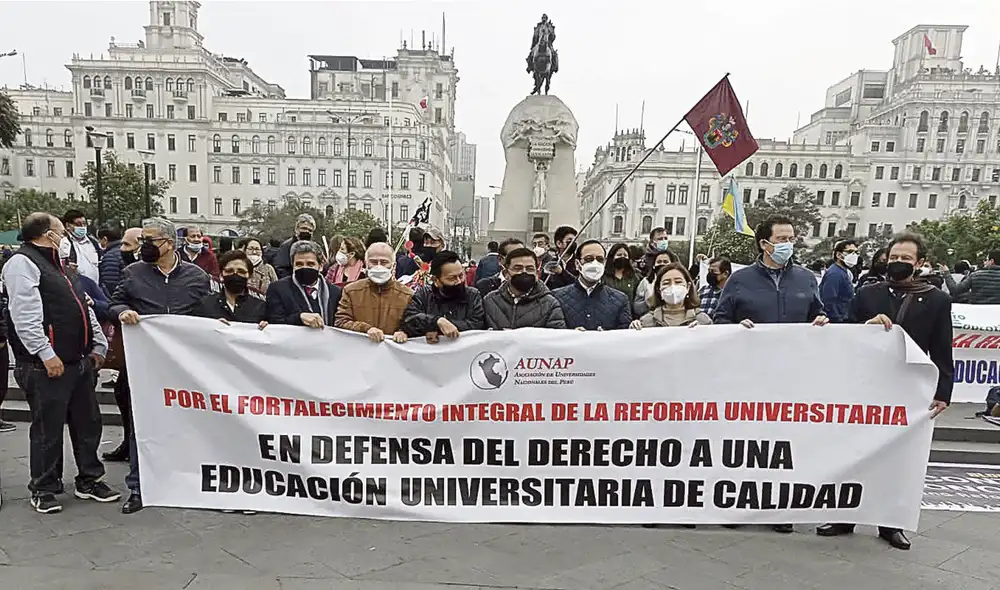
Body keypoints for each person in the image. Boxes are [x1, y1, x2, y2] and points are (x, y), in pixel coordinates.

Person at [817, 231, 952, 551]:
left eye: (906, 259)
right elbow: (847, 332)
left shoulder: (936, 299)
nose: (899, 263)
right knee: (854, 449)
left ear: (919, 263)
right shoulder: (868, 293)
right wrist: (865, 327)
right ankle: (844, 515)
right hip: (867, 383)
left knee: (899, 456)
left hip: (908, 387)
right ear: (885, 259)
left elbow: (942, 348)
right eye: (894, 258)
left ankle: (891, 522)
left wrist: (943, 391)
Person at [714, 215, 828, 534]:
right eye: (781, 239)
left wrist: (821, 319)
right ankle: (737, 505)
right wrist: (737, 329)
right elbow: (721, 319)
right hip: (749, 375)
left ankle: (781, 508)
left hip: (792, 374)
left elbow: (819, 312)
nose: (787, 244)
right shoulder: (740, 280)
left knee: (785, 444)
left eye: (791, 238)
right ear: (764, 244)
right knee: (746, 442)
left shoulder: (806, 278)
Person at [3, 212, 119, 514]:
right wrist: (45, 352)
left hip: (78, 362)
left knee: (88, 423)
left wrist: (98, 344)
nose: (66, 234)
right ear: (46, 234)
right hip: (46, 365)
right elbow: (24, 314)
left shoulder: (63, 269)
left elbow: (84, 307)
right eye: (60, 230)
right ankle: (43, 486)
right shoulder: (22, 263)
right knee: (48, 429)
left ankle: (89, 479)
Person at [111, 217, 211, 515]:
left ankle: (187, 480)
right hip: (145, 364)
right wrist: (123, 311)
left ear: (169, 243)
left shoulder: (196, 276)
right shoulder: (132, 273)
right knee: (142, 424)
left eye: (150, 241)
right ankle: (138, 487)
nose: (145, 247)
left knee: (188, 422)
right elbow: (113, 303)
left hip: (184, 365)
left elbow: (205, 313)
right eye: (142, 241)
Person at [335, 242, 413, 343]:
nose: (379, 266)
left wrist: (404, 332)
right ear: (366, 264)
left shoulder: (407, 295)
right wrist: (366, 329)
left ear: (393, 266)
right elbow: (340, 322)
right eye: (374, 262)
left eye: (384, 262)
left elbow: (414, 324)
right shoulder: (351, 291)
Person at [403, 250, 485, 341]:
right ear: (436, 280)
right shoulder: (424, 295)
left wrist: (438, 330)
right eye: (452, 278)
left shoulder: (473, 295)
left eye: (461, 276)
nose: (458, 281)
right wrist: (437, 321)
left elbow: (477, 325)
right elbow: (409, 320)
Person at [552, 240, 631, 331]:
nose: (595, 263)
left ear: (604, 264)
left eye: (600, 259)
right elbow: (553, 333)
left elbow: (624, 335)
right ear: (577, 264)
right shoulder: (557, 297)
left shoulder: (621, 300)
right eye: (588, 259)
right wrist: (571, 334)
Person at [483, 247, 566, 330]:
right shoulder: (490, 301)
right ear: (506, 273)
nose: (524, 272)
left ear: (537, 273)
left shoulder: (550, 304)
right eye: (517, 268)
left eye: (530, 269)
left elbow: (556, 339)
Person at [265, 241, 343, 328]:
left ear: (320, 266)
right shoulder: (278, 289)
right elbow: (274, 322)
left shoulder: (335, 292)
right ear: (292, 266)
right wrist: (299, 318)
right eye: (299, 264)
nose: (304, 267)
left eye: (310, 264)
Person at [197, 250, 268, 327]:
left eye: (241, 271)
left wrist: (267, 328)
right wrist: (212, 326)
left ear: (249, 276)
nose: (235, 275)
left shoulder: (261, 307)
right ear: (221, 275)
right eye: (229, 271)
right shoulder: (205, 304)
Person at [630, 263, 713, 328]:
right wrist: (634, 330)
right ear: (659, 289)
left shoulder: (703, 320)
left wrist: (702, 333)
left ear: (688, 287)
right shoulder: (647, 321)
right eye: (666, 283)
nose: (673, 286)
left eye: (678, 282)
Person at [819, 239, 858, 323]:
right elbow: (828, 300)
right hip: (837, 321)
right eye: (850, 252)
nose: (854, 255)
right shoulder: (835, 274)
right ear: (839, 255)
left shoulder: (843, 272)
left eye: (856, 252)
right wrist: (837, 320)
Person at [99, 226, 140, 298]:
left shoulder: (111, 256)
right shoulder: (112, 256)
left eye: (127, 244)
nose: (122, 248)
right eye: (123, 244)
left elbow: (110, 285)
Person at [634, 250, 678, 317]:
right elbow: (637, 308)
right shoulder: (646, 282)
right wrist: (650, 301)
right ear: (654, 265)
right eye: (659, 262)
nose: (662, 264)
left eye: (665, 262)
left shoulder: (679, 281)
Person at [62, 209, 101, 284]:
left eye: (84, 224)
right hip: (76, 288)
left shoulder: (93, 243)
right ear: (68, 225)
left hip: (95, 287)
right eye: (78, 224)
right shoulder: (65, 244)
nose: (82, 227)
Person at [273, 214, 317, 279]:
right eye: (304, 228)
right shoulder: (286, 246)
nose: (307, 231)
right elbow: (280, 268)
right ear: (296, 229)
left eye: (310, 230)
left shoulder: (314, 247)